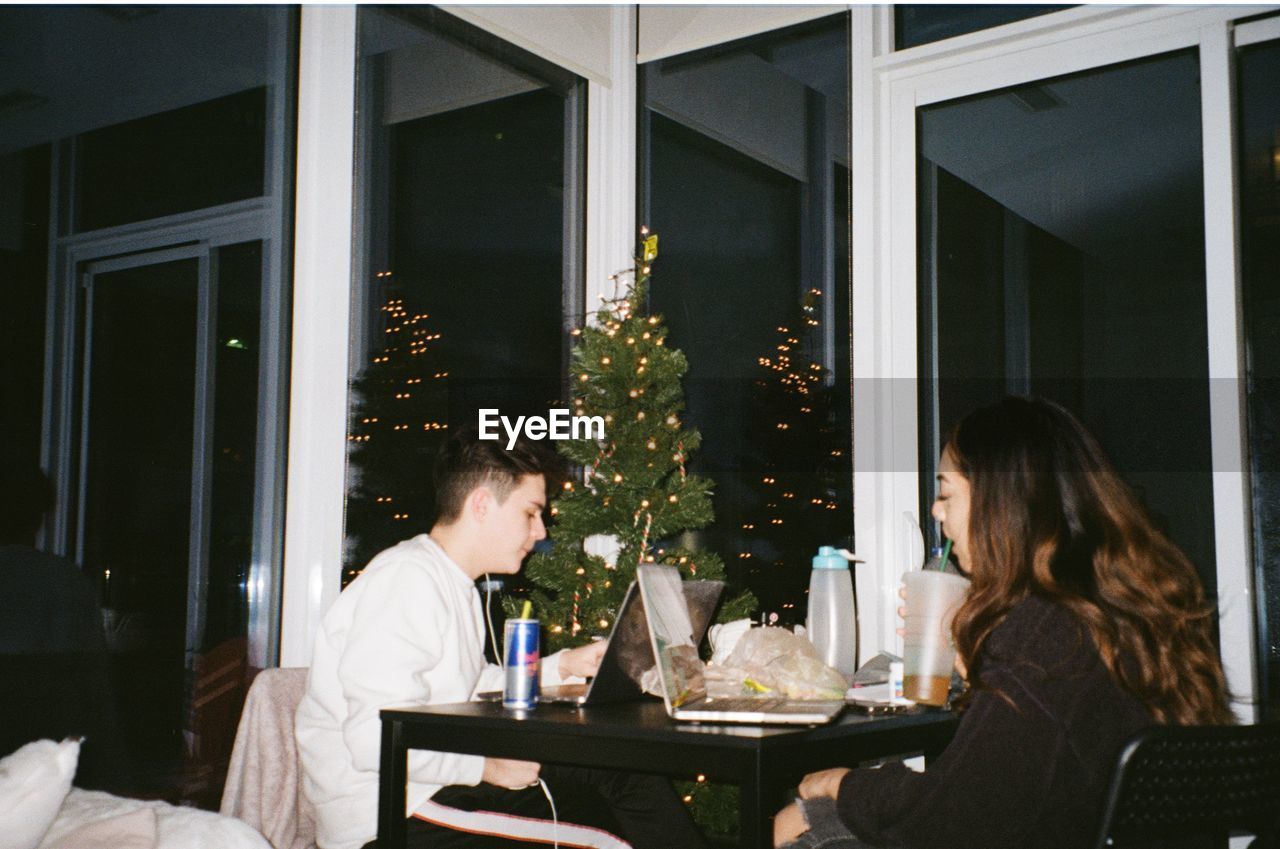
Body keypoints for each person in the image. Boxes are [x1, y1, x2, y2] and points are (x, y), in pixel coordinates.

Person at [774, 396, 1232, 849]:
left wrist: (844, 784)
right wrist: (975, 657)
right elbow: (1035, 766)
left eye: (945, 492)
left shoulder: (1042, 628)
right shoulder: (1131, 608)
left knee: (798, 826)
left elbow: (957, 817)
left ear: (1001, 502)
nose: (936, 511)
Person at [296, 429, 707, 849]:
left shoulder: (448, 580)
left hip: (427, 790)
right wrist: (486, 767)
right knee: (609, 835)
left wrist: (561, 665)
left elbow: (463, 686)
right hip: (389, 815)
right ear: (481, 505)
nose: (542, 532)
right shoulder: (407, 580)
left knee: (620, 770)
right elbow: (372, 739)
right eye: (531, 513)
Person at [0, 460, 126, 791]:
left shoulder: (64, 580)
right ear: (38, 518)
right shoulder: (67, 579)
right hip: (53, 771)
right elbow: (98, 697)